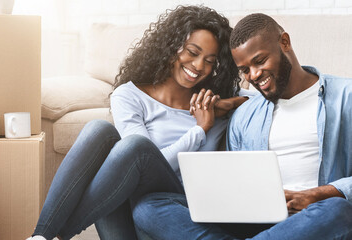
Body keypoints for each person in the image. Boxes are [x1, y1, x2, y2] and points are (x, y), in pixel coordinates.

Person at [27, 5, 248, 240]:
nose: (198, 66)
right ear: (172, 46)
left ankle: (53, 236)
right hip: (126, 209)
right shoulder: (130, 95)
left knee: (135, 149)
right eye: (192, 52)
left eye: (209, 61)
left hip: (175, 207)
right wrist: (199, 130)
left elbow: (264, 96)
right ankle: (40, 237)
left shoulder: (211, 99)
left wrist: (229, 104)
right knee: (100, 130)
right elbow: (144, 161)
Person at [132, 13, 352, 240]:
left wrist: (318, 194)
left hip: (313, 215)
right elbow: (236, 182)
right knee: (149, 206)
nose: (254, 75)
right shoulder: (245, 115)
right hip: (255, 220)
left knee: (338, 211)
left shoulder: (346, 96)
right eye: (245, 70)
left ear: (284, 42)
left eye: (259, 61)